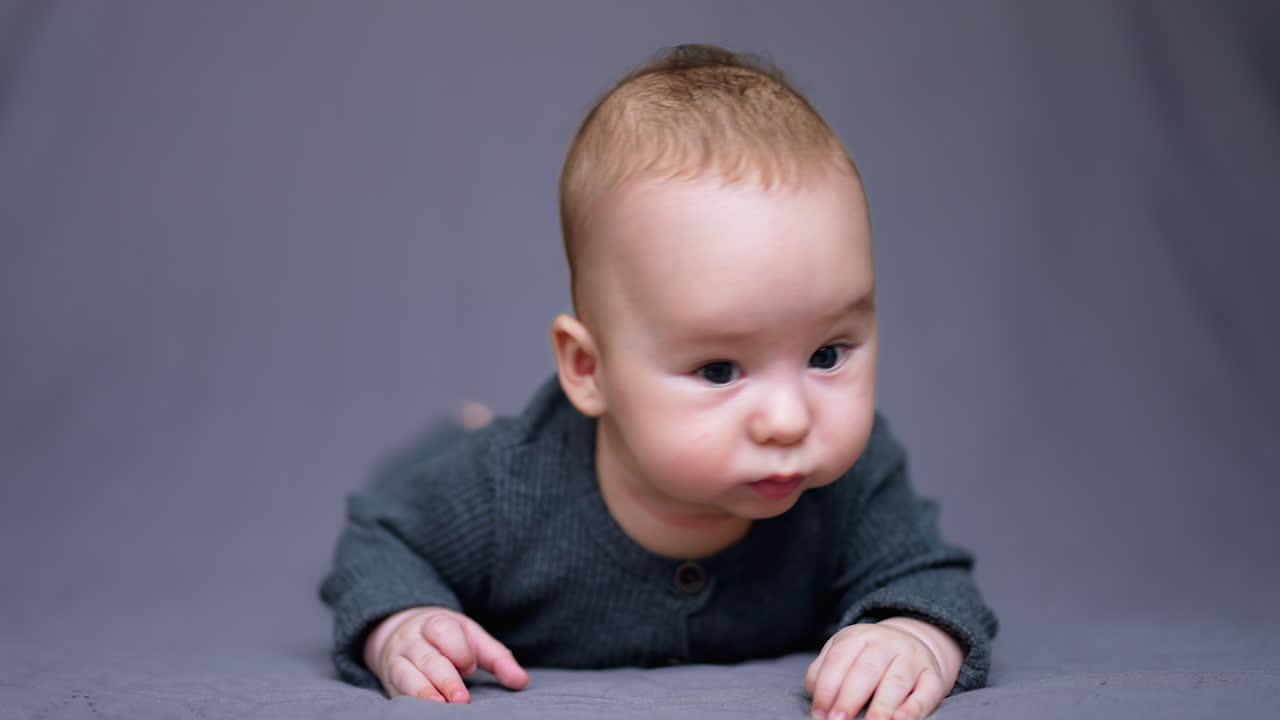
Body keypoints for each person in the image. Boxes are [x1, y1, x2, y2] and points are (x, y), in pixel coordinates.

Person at [320, 44, 997, 720]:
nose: (789, 420)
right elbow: (381, 537)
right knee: (430, 465)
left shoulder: (853, 483)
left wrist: (913, 636)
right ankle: (459, 425)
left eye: (827, 355)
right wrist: (402, 623)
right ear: (589, 370)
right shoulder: (503, 491)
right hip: (480, 457)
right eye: (719, 370)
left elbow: (927, 576)